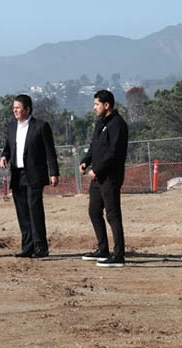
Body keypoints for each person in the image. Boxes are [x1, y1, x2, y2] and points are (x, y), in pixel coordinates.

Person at [0, 94, 60, 258]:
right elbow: (8, 147)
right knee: (22, 212)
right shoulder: (12, 127)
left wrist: (54, 172)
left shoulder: (40, 126)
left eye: (18, 108)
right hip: (17, 175)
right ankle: (27, 248)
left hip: (34, 174)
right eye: (13, 108)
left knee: (35, 211)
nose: (15, 111)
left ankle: (41, 248)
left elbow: (50, 151)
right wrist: (4, 156)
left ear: (27, 109)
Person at [79, 90, 129, 268]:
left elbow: (114, 153)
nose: (94, 108)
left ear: (106, 105)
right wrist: (86, 161)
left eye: (96, 104)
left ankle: (119, 255)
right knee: (94, 211)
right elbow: (94, 146)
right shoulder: (100, 123)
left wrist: (98, 170)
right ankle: (103, 249)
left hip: (110, 177)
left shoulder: (118, 124)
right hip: (97, 178)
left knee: (113, 215)